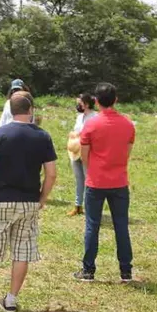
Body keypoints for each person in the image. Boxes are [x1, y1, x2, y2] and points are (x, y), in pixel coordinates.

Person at [0, 91, 57, 312]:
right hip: (28, 202)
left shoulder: (0, 134)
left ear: (10, 110)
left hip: (1, 200)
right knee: (22, 251)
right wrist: (42, 198)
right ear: (30, 110)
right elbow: (52, 174)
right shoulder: (43, 136)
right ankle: (11, 300)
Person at [73, 83, 136, 283]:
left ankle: (88, 270)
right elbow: (126, 154)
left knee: (92, 225)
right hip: (119, 182)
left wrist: (96, 170)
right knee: (121, 226)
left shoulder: (91, 125)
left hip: (95, 182)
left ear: (97, 101)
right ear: (116, 100)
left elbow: (84, 156)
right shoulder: (128, 125)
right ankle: (126, 272)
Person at [66, 93, 98, 217]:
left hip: (88, 152)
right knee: (79, 179)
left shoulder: (95, 117)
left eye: (80, 103)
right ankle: (77, 206)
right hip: (75, 151)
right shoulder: (79, 117)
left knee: (88, 180)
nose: (78, 105)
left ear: (87, 104)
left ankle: (89, 207)